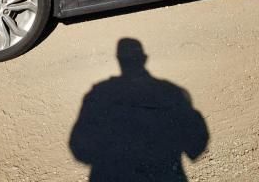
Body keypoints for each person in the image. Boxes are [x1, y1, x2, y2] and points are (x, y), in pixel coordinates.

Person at [70, 38, 209, 181]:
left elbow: (79, 147)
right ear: (144, 59)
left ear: (119, 60)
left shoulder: (99, 93)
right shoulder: (171, 92)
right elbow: (196, 144)